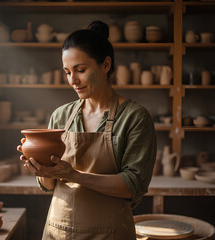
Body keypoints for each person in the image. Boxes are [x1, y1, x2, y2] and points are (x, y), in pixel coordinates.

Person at [17, 20, 156, 240]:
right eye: (67, 72)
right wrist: (42, 170)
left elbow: (131, 186)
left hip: (110, 233)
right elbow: (49, 184)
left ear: (106, 65)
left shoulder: (134, 117)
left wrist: (73, 174)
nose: (73, 80)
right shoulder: (61, 116)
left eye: (80, 70)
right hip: (58, 231)